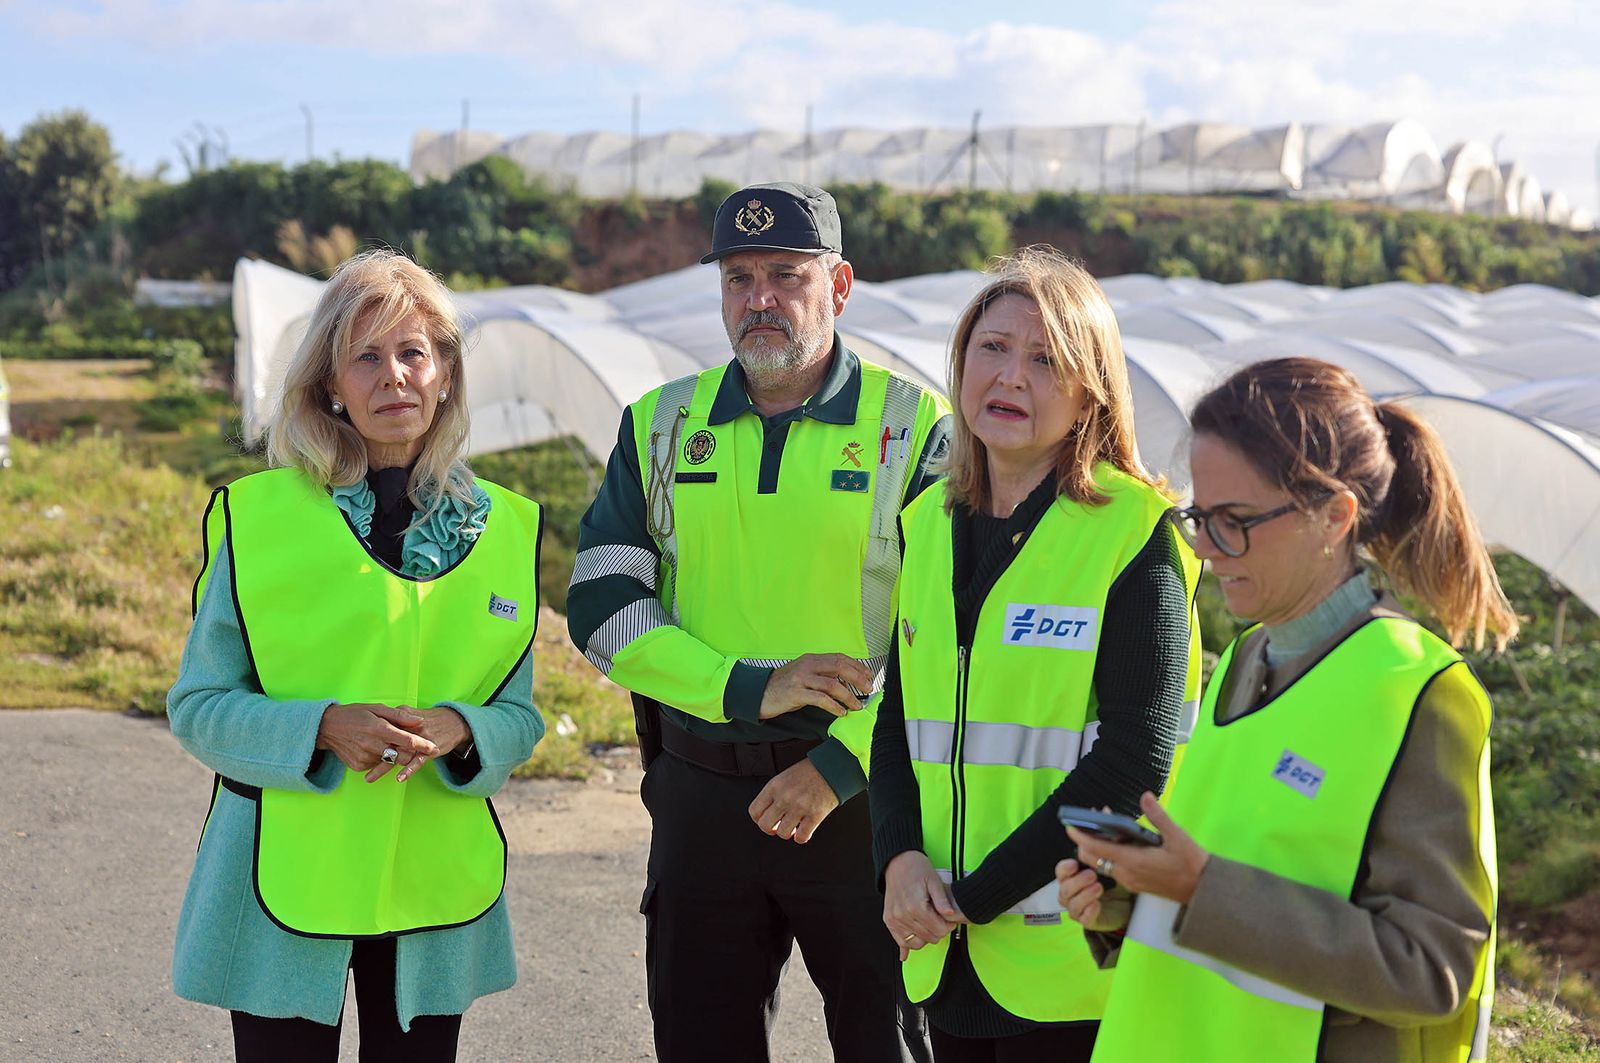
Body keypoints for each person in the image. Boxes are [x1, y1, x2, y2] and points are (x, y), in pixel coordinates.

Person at [566, 182, 949, 1062]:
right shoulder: (660, 426)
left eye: (786, 274)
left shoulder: (913, 428)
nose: (760, 300)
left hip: (861, 802)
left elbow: (944, 630)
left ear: (839, 286)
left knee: (888, 1046)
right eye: (739, 278)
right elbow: (602, 604)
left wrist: (842, 765)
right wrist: (746, 687)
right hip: (702, 798)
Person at [1056, 356, 1513, 1062]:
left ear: (1334, 517)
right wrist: (1128, 897)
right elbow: (1242, 886)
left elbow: (1431, 969)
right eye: (1200, 517)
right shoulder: (1245, 659)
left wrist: (1200, 887)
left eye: (1235, 521)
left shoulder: (1419, 691)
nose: (1205, 548)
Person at [168, 250, 545, 1063]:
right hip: (284, 871)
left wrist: (460, 728)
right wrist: (321, 727)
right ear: (330, 383)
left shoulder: (507, 530)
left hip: (432, 879)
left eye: (414, 352)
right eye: (366, 356)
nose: (395, 376)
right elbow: (197, 705)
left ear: (445, 372)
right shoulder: (258, 517)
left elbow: (520, 716)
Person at [868, 246, 1202, 1062]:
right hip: (948, 955)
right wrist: (898, 858)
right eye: (993, 348)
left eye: (1047, 359)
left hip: (1067, 970)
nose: (1012, 377)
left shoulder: (1134, 536)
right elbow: (900, 720)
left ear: (1092, 388)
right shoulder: (928, 524)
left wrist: (972, 896)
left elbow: (1135, 760)